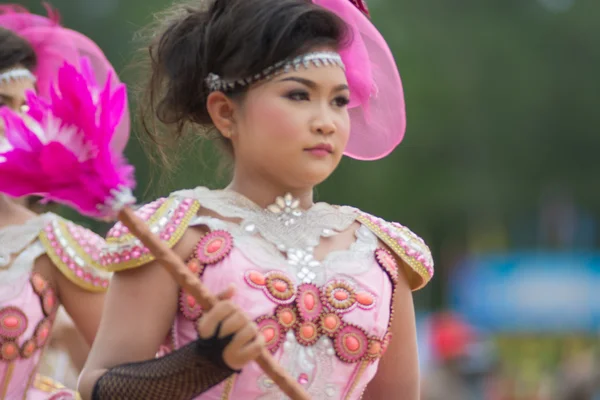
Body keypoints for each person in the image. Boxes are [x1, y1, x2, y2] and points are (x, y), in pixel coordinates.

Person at [79, 0, 434, 399]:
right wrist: (202, 363)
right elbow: (96, 385)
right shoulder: (173, 237)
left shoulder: (382, 255)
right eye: (299, 95)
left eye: (338, 101)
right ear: (225, 113)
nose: (326, 121)